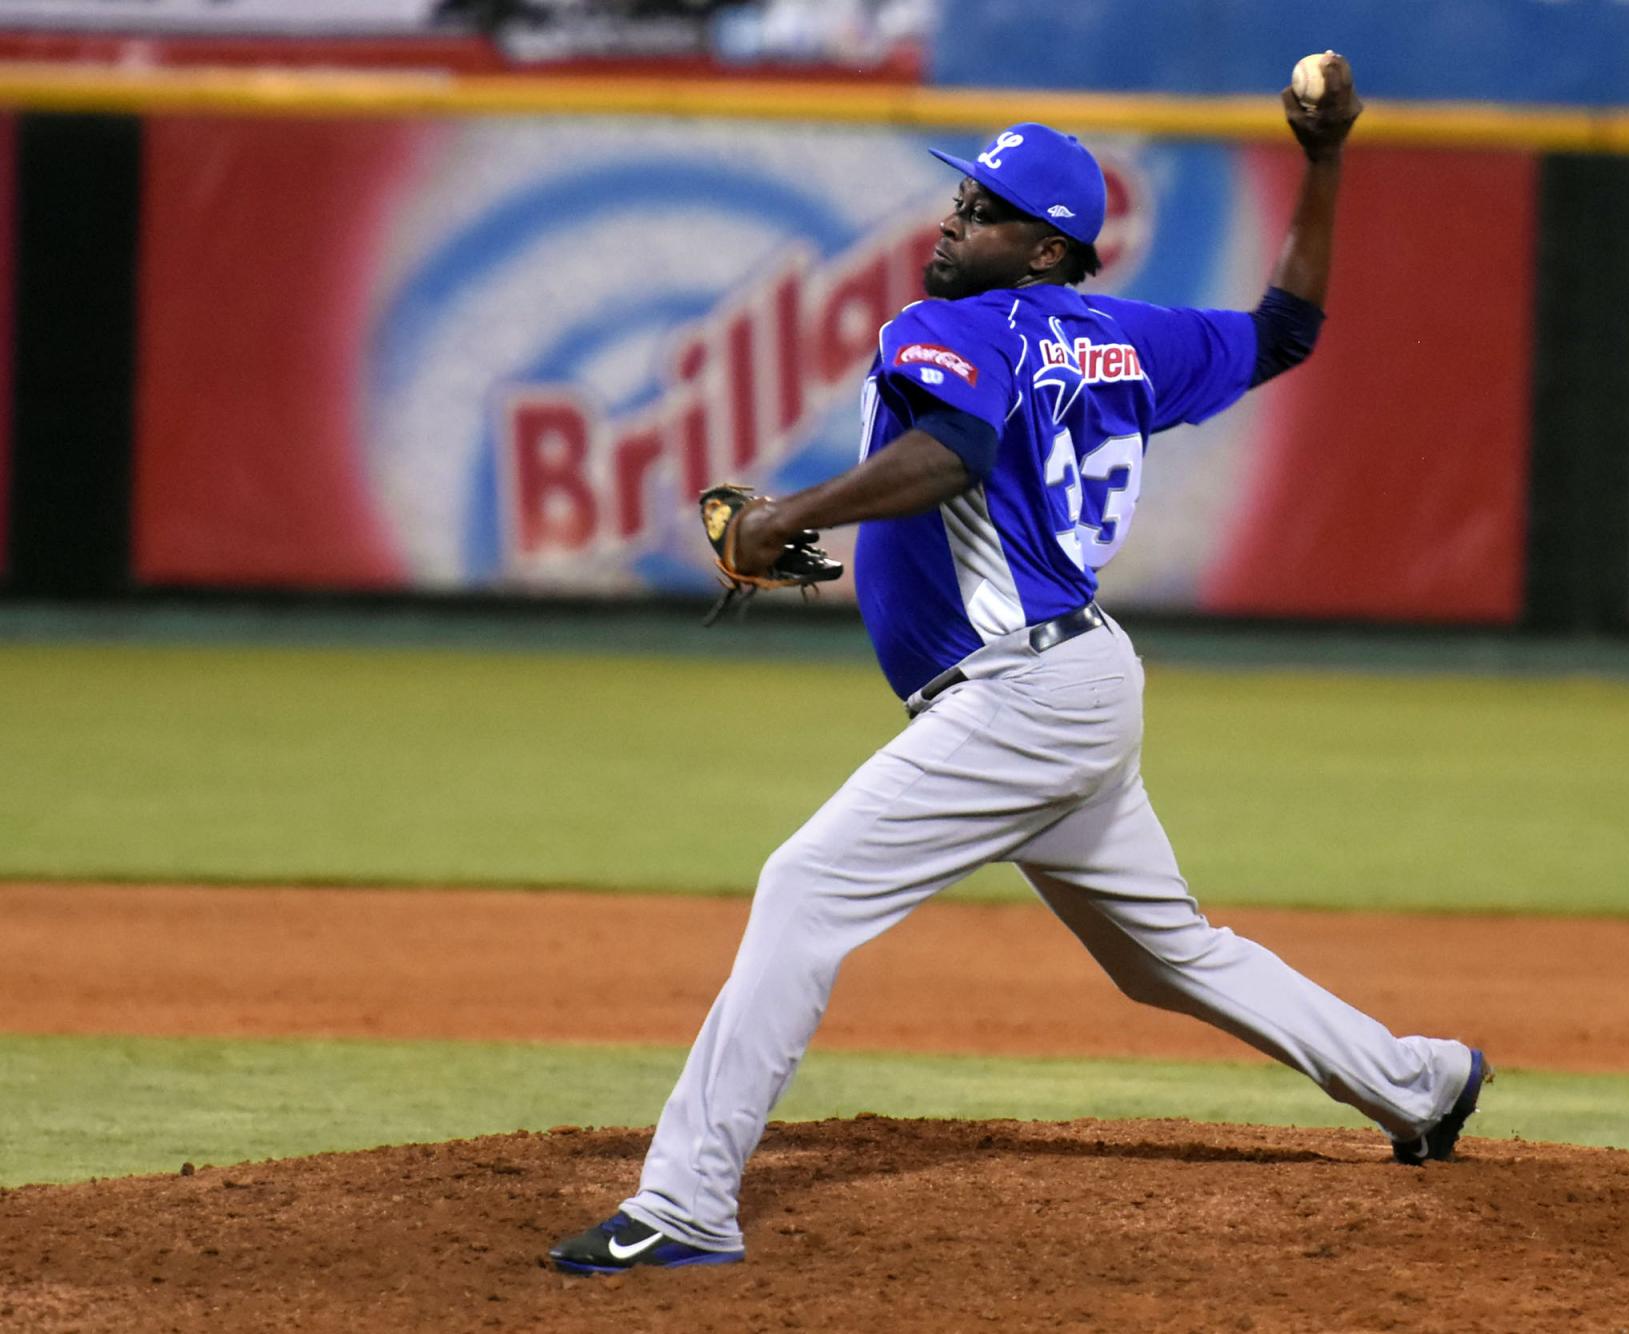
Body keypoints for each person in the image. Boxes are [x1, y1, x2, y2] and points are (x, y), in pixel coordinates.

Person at [548, 53, 1487, 1276]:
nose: (955, 219)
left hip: (1021, 692)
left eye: (987, 211)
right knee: (1167, 957)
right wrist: (1322, 161)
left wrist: (788, 515)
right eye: (960, 198)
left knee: (803, 888)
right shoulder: (1123, 338)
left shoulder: (946, 328)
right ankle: (1421, 1083)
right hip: (1076, 682)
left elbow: (952, 450)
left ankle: (685, 1202)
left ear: (1045, 248)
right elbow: (1285, 329)